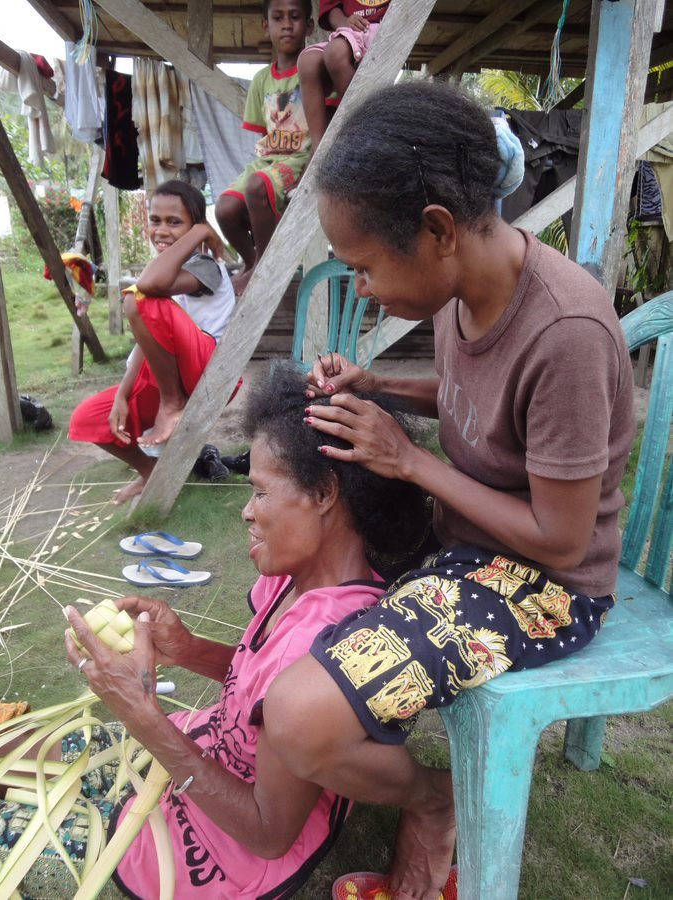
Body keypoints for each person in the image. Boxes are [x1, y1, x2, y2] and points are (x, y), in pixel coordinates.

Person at [257, 81, 636, 898]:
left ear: (434, 230)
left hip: (541, 584)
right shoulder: (464, 286)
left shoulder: (565, 331)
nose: (359, 287)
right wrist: (384, 388)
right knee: (298, 570)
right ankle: (358, 737)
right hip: (466, 539)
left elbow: (562, 541)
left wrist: (409, 462)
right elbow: (479, 396)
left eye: (362, 266)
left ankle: (433, 802)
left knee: (296, 716)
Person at [63, 362, 430, 899]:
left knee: (24, 832)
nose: (245, 512)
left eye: (259, 492)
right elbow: (258, 686)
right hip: (211, 753)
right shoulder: (295, 582)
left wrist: (146, 719)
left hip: (232, 844)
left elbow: (268, 833)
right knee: (31, 752)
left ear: (324, 492)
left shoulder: (333, 644)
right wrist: (186, 649)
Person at [69, 180, 236, 505]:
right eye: (155, 220)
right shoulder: (168, 270)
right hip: (170, 372)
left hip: (208, 370)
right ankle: (150, 473)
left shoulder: (206, 266)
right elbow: (147, 343)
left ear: (195, 225)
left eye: (175, 222)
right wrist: (122, 394)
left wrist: (203, 233)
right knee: (87, 418)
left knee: (139, 299)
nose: (161, 230)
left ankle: (171, 404)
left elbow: (147, 288)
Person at [215, 0, 314, 297]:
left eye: (295, 17)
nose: (286, 24)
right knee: (225, 209)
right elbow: (262, 135)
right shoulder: (261, 80)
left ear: (308, 25)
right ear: (265, 25)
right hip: (269, 160)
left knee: (257, 186)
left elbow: (329, 117)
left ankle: (263, 270)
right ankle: (253, 262)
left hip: (300, 158)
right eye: (278, 18)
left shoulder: (312, 72)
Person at [298, 0, 391, 153]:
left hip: (383, 26)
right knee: (307, 62)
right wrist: (345, 22)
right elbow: (331, 9)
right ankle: (319, 148)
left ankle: (364, 131)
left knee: (335, 53)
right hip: (349, 31)